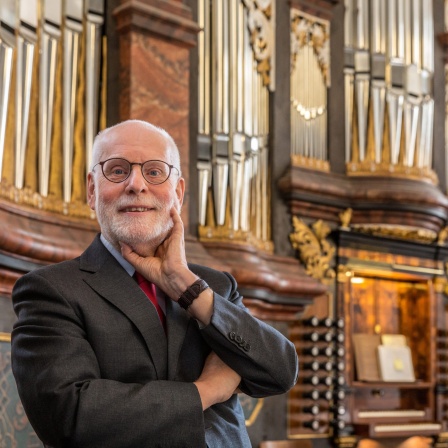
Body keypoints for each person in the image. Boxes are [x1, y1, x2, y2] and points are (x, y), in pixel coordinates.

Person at [11, 120, 299, 448]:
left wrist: (189, 289)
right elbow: (70, 417)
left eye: (155, 171)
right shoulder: (50, 291)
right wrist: (206, 391)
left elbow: (280, 372)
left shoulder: (215, 286)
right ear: (92, 191)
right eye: (117, 170)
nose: (136, 184)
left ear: (177, 192)